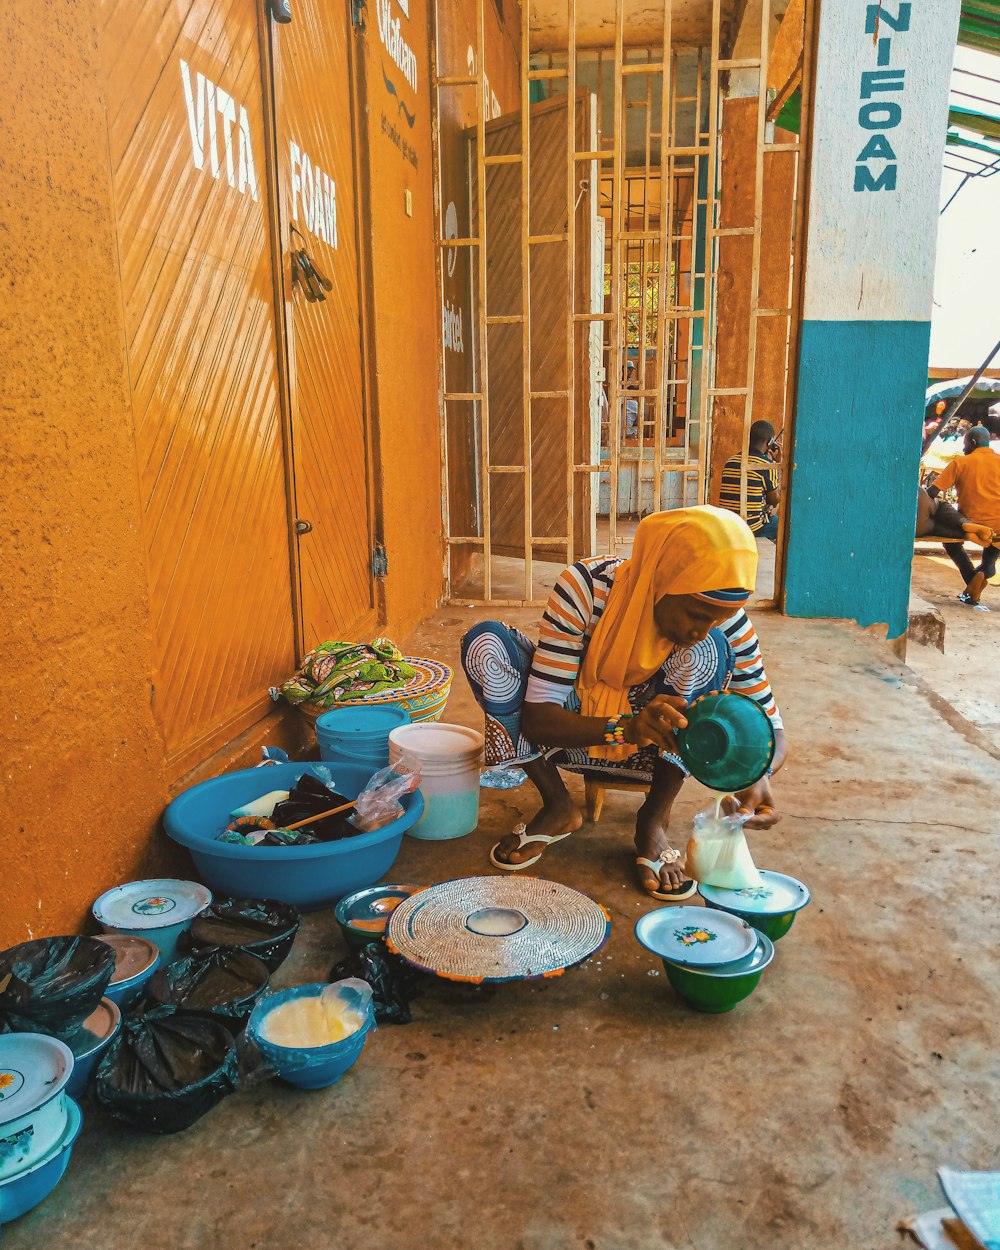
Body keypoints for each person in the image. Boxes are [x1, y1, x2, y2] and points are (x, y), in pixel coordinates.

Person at [460, 506, 786, 901]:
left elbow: (769, 724)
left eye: (719, 619)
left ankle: (653, 819)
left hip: (661, 755)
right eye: (697, 615)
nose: (702, 629)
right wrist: (628, 726)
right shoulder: (584, 588)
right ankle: (558, 804)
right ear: (660, 580)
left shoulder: (722, 625)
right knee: (486, 645)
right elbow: (539, 718)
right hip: (569, 737)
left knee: (708, 652)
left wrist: (758, 774)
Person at [927, 426, 1000, 609]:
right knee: (990, 556)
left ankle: (971, 580)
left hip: (970, 523)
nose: (963, 448)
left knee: (951, 543)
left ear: (973, 442)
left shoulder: (960, 463)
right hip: (998, 525)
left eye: (965, 443)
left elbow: (933, 492)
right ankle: (984, 570)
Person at [718, 421, 781, 541]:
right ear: (770, 442)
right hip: (751, 528)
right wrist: (778, 466)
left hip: (727, 525)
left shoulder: (730, 461)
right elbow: (775, 500)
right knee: (783, 524)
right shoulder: (766, 465)